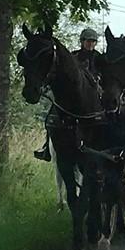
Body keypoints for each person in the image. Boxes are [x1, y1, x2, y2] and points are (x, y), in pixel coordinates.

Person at [34, 28, 101, 161]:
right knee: (51, 117)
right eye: (88, 41)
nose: (91, 44)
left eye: (93, 41)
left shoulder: (99, 58)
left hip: (94, 92)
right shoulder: (73, 56)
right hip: (72, 96)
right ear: (82, 41)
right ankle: (47, 146)